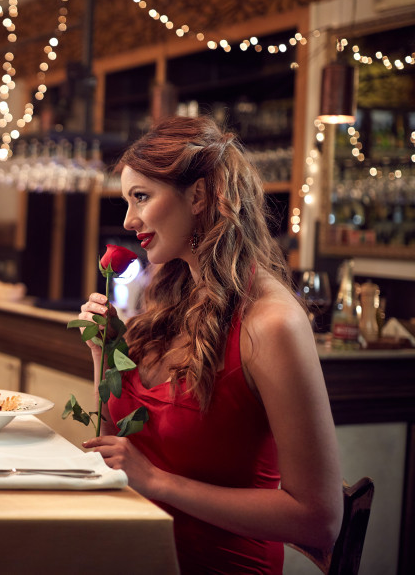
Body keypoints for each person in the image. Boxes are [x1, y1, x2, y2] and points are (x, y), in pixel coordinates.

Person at [77, 115, 341, 574]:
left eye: (141, 197)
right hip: (137, 554)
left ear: (198, 195)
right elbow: (127, 441)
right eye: (127, 200)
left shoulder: (273, 324)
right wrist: (105, 352)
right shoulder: (171, 296)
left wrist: (159, 482)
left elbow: (319, 520)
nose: (128, 219)